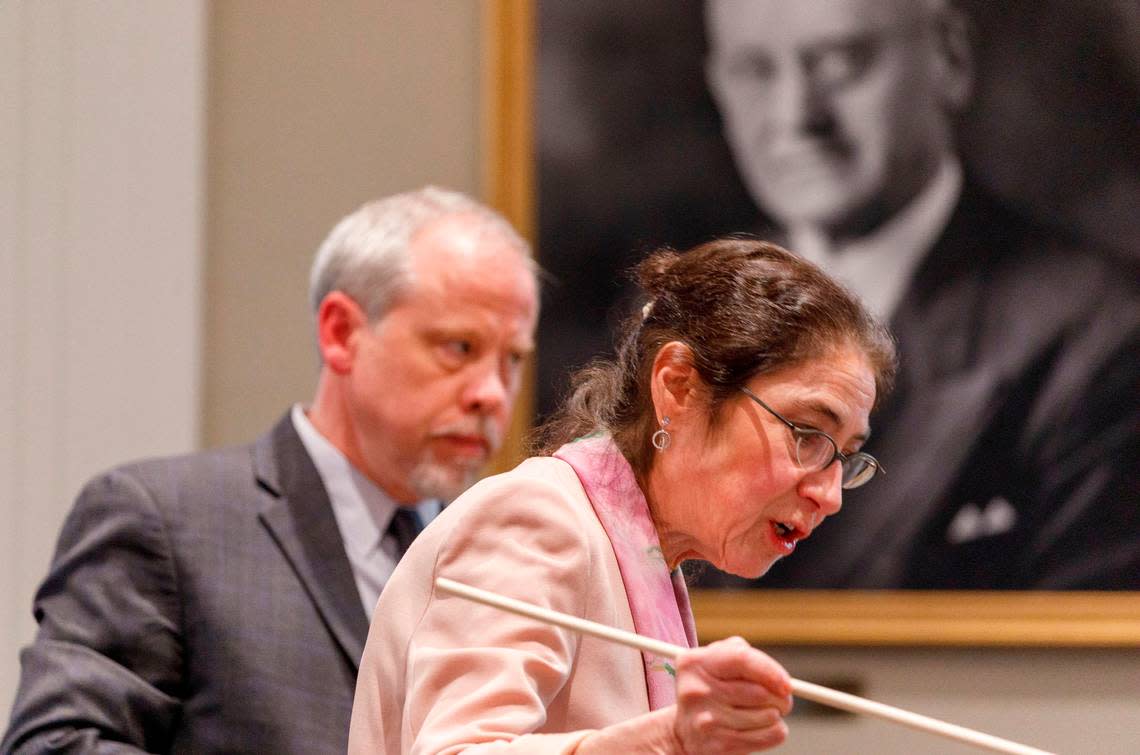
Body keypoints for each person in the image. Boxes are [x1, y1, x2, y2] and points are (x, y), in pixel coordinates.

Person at [1, 187, 540, 754]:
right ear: (340, 334)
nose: (491, 393)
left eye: (512, 360)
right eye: (459, 347)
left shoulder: (504, 557)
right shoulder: (164, 521)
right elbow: (57, 746)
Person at [347, 239, 898, 753]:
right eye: (806, 434)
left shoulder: (643, 550)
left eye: (846, 457)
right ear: (678, 386)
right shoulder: (537, 516)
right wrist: (667, 741)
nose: (830, 495)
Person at [702, 0, 1140, 588]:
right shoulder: (682, 323)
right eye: (755, 70)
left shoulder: (1098, 331)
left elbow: (1076, 659)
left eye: (839, 62)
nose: (795, 116)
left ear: (949, 59)